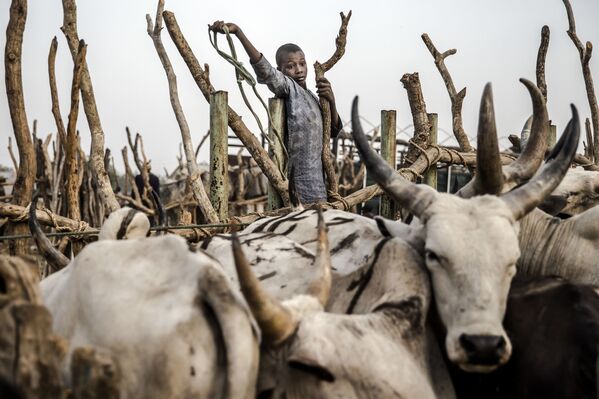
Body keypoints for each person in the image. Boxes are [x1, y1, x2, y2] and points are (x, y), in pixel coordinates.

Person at [210, 21, 343, 204]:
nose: (299, 70)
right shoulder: (289, 89)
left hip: (321, 187)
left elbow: (333, 131)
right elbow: (266, 71)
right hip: (299, 189)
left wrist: (331, 100)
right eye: (290, 66)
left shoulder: (313, 97)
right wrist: (239, 33)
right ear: (281, 70)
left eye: (302, 64)